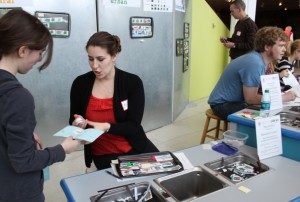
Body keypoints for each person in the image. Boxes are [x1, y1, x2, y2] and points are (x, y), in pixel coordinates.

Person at [0, 10, 80, 202]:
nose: (39, 59)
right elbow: (23, 161)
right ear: (23, 50)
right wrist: (63, 149)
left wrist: (22, 136)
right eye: (40, 52)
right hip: (18, 193)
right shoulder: (17, 97)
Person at [69, 31, 159, 170]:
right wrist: (78, 124)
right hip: (102, 154)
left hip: (135, 148)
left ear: (114, 56)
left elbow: (133, 125)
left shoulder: (132, 83)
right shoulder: (80, 84)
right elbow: (73, 119)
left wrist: (107, 127)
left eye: (100, 59)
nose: (94, 66)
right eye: (90, 59)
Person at [209, 26, 296, 120]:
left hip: (233, 102)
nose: (284, 49)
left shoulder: (260, 60)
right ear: (267, 47)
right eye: (281, 45)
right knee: (266, 116)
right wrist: (282, 98)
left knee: (270, 109)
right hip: (222, 105)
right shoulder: (255, 63)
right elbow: (250, 99)